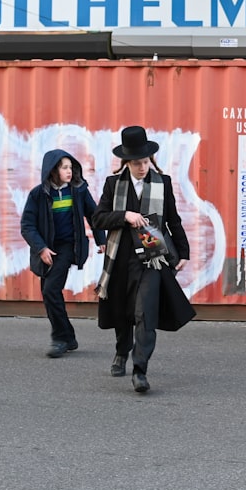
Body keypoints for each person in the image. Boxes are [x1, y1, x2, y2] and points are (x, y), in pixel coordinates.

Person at [92, 126, 195, 393]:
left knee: (144, 312)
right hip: (121, 257)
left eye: (146, 162)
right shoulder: (113, 185)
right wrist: (124, 215)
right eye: (137, 163)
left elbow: (173, 220)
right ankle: (121, 351)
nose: (142, 167)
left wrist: (183, 252)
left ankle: (140, 370)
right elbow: (98, 218)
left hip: (152, 259)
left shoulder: (164, 183)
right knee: (122, 311)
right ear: (127, 162)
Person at [21, 149, 106, 358]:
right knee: (49, 294)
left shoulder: (78, 190)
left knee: (50, 290)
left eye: (71, 167)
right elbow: (27, 225)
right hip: (48, 247)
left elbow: (94, 215)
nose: (69, 171)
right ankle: (68, 337)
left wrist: (102, 239)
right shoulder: (38, 194)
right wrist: (41, 248)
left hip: (69, 246)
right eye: (64, 167)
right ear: (52, 170)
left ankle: (60, 339)